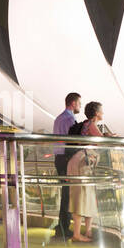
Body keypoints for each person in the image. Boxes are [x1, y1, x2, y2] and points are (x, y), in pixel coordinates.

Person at [68, 101, 108, 242]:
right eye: (101, 110)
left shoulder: (87, 124)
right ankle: (77, 234)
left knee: (88, 197)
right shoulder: (90, 125)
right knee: (80, 198)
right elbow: (102, 142)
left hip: (82, 163)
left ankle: (87, 231)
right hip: (81, 164)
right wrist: (109, 137)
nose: (103, 113)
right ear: (96, 113)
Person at [52, 93, 82, 237]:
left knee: (65, 192)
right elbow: (73, 141)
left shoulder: (58, 118)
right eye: (79, 103)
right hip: (67, 158)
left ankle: (61, 225)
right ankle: (64, 227)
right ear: (73, 103)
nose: (80, 106)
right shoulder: (70, 119)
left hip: (58, 157)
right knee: (68, 194)